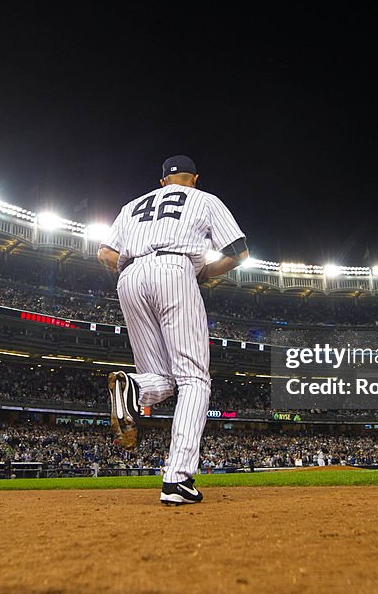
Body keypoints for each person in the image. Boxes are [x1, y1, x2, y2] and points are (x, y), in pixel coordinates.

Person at [98, 155, 248, 506]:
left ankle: (133, 385)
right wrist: (205, 274)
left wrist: (132, 266)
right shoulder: (205, 199)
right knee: (194, 379)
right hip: (175, 270)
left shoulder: (132, 205)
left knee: (159, 378)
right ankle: (178, 479)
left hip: (130, 276)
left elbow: (104, 253)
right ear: (194, 178)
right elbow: (239, 251)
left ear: (162, 181)